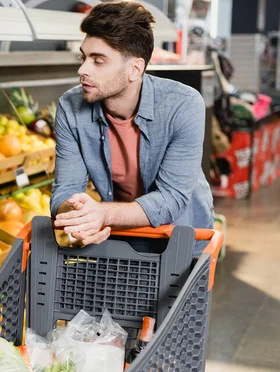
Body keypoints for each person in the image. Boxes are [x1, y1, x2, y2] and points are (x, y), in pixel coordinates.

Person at [51, 1, 214, 252]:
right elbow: (65, 190)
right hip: (121, 234)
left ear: (135, 69)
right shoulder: (70, 108)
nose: (82, 70)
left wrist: (102, 214)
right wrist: (77, 215)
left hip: (181, 235)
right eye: (84, 57)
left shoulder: (183, 105)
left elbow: (171, 200)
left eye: (98, 60)